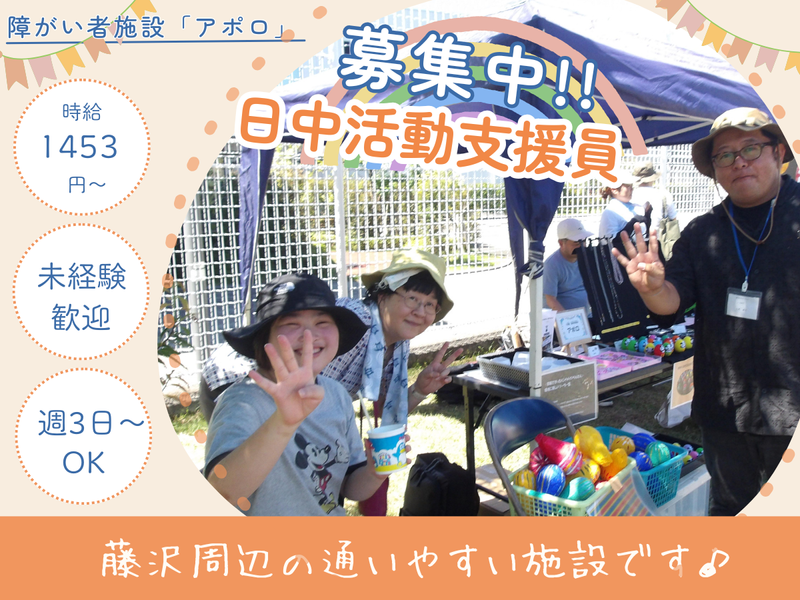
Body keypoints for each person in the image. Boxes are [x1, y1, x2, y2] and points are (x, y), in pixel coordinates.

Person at [612, 107, 799, 516]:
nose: (739, 161)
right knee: (729, 512)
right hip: (724, 409)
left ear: (778, 152)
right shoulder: (703, 232)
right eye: (725, 155)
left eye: (751, 148)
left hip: (793, 409)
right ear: (714, 169)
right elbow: (671, 303)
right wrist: (653, 289)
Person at [203, 273, 398, 516]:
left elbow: (349, 487)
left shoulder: (336, 394)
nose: (309, 336)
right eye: (291, 324)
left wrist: (374, 472)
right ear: (264, 339)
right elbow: (222, 492)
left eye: (322, 322)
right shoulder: (243, 403)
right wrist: (283, 423)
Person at [543, 217, 593, 315]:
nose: (581, 246)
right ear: (561, 243)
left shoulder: (586, 259)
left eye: (584, 241)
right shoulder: (551, 265)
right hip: (562, 319)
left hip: (585, 316)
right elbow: (551, 300)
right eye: (576, 242)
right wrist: (568, 319)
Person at [632, 162, 680, 260]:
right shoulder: (664, 195)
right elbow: (673, 219)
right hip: (661, 244)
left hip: (635, 245)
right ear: (653, 178)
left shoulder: (630, 196)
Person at [598, 171, 651, 239]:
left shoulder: (635, 207)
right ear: (614, 190)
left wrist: (647, 215)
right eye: (628, 186)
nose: (631, 189)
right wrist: (633, 223)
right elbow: (611, 241)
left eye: (631, 186)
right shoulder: (610, 212)